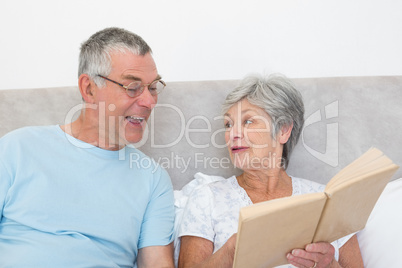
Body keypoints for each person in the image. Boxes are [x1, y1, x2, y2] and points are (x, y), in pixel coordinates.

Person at [0, 27, 175, 267]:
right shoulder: (16, 148)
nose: (149, 102)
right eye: (132, 87)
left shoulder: (153, 179)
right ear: (89, 88)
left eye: (153, 87)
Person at [176, 74, 364, 268]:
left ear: (283, 130)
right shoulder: (207, 199)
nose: (233, 134)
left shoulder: (328, 201)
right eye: (228, 124)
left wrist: (330, 265)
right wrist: (231, 251)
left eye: (248, 121)